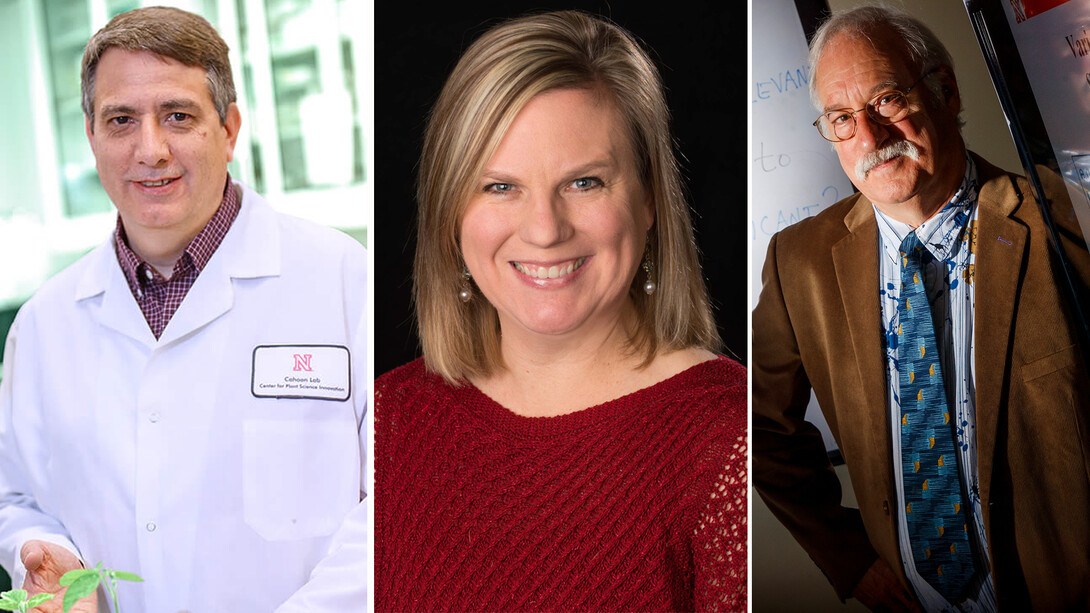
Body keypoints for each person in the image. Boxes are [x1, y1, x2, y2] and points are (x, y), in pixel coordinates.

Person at [374, 10, 746, 612]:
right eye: (500, 187)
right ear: (450, 214)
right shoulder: (382, 420)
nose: (545, 230)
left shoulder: (731, 444)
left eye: (585, 182)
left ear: (649, 199)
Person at [0, 7, 366, 612]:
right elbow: (16, 496)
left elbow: (397, 500)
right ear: (92, 137)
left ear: (229, 129)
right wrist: (44, 553)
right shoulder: (44, 324)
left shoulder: (344, 281)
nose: (151, 149)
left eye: (178, 116)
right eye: (121, 120)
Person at [753, 5, 1090, 612]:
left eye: (886, 100)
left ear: (944, 88)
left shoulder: (1064, 225)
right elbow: (753, 425)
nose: (869, 138)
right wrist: (849, 558)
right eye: (840, 119)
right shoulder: (797, 262)